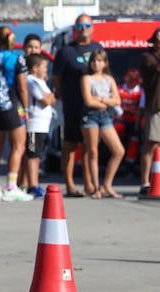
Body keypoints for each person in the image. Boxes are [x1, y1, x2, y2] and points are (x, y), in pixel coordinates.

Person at [0, 25, 32, 201]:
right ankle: (11, 186)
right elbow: (22, 87)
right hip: (11, 104)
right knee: (18, 146)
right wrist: (26, 109)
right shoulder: (16, 59)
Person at [53, 15, 103, 197]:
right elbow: (56, 77)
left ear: (92, 28)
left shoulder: (98, 48)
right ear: (75, 29)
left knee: (91, 147)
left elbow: (104, 74)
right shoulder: (66, 51)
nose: (83, 29)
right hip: (73, 104)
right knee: (71, 144)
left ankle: (90, 184)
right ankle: (70, 184)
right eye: (80, 25)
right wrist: (63, 95)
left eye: (87, 25)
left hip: (94, 106)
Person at [80, 48, 124, 199]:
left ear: (105, 63)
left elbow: (117, 100)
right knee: (93, 151)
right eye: (93, 61)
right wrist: (103, 101)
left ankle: (107, 184)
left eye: (99, 61)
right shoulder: (87, 79)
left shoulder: (109, 79)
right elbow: (88, 100)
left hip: (105, 116)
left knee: (118, 150)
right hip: (90, 116)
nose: (96, 64)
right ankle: (96, 187)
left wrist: (102, 100)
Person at [23, 53, 54, 197]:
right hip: (34, 125)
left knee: (38, 155)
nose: (46, 71)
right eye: (44, 68)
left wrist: (50, 96)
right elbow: (45, 100)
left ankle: (34, 182)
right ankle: (32, 184)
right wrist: (49, 97)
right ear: (35, 68)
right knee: (32, 155)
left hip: (43, 125)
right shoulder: (31, 81)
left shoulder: (41, 82)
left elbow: (52, 96)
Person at [139, 28, 160, 192]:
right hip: (155, 106)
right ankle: (145, 182)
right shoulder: (148, 57)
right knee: (151, 143)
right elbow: (155, 67)